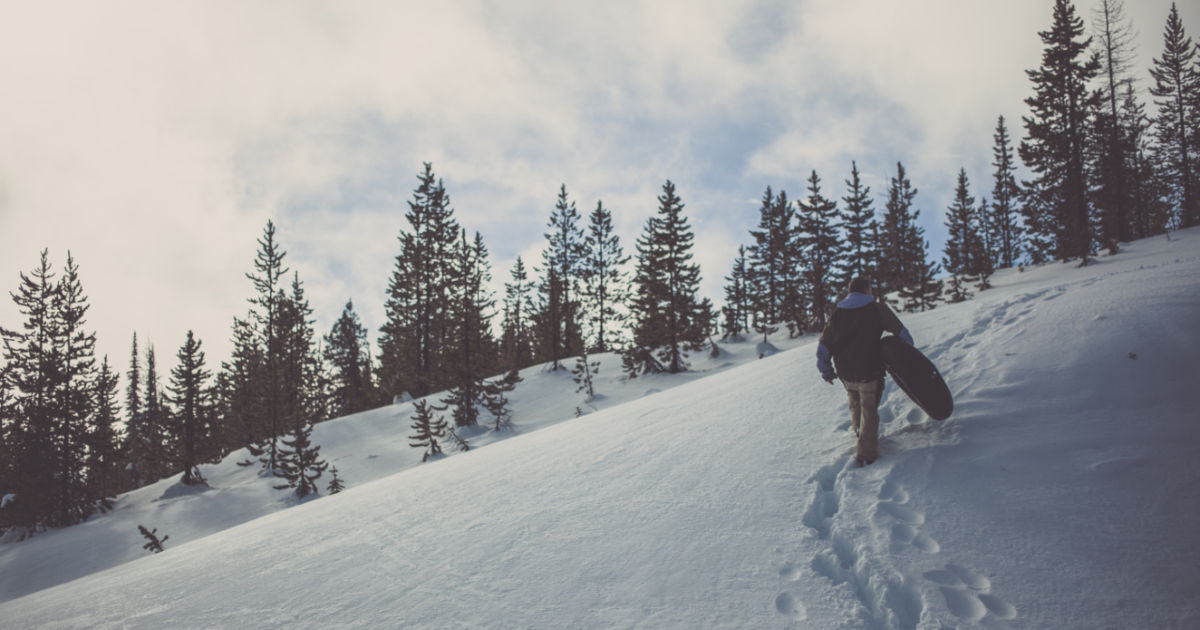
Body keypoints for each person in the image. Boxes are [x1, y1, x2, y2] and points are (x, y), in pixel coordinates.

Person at [816, 277, 913, 467]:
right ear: (867, 290)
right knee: (869, 409)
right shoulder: (877, 309)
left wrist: (826, 370)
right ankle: (866, 454)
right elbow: (902, 334)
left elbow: (823, 345)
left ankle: (859, 431)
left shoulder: (836, 313)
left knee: (855, 402)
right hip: (869, 371)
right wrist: (908, 355)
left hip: (845, 372)